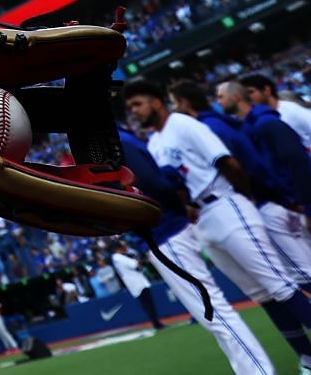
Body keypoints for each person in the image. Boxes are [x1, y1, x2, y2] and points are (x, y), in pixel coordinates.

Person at [122, 79, 311, 367]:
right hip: (201, 220)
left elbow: (228, 162)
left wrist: (242, 202)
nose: (134, 111)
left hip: (223, 203)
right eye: (129, 107)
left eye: (138, 103)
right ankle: (307, 357)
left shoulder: (183, 124)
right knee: (262, 294)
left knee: (279, 284)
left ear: (157, 101)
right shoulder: (155, 141)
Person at [171, 80, 311, 285]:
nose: (217, 101)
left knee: (300, 272)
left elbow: (275, 164)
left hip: (267, 202)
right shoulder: (233, 122)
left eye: (220, 96)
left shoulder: (221, 125)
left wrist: (299, 203)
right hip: (280, 200)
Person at [244, 73, 311, 151]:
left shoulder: (291, 108)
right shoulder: (261, 118)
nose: (248, 97)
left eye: (251, 92)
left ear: (266, 90)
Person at [108, 244, 160, 329]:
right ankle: (156, 324)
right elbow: (134, 264)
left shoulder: (117, 257)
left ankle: (156, 323)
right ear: (117, 249)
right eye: (122, 247)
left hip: (136, 283)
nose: (124, 249)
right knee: (148, 305)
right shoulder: (118, 257)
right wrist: (140, 259)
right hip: (137, 283)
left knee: (148, 305)